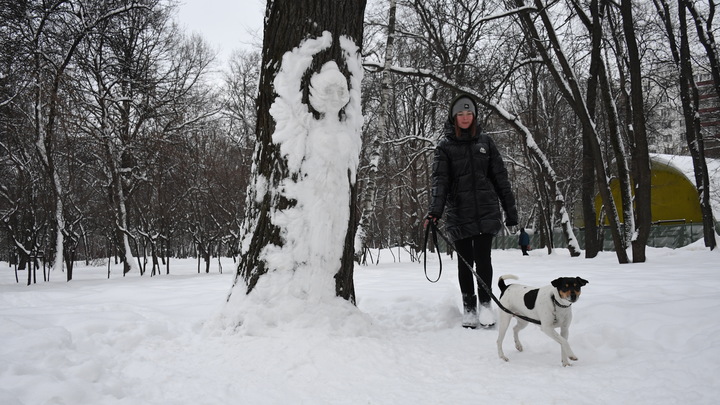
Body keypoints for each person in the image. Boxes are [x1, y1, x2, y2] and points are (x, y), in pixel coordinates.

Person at [425, 93, 518, 329]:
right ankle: (469, 308)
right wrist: (435, 212)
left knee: (484, 260)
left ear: (474, 116)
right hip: (459, 212)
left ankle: (486, 305)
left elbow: (500, 178)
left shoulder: (486, 142)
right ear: (453, 117)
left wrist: (510, 209)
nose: (465, 117)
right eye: (460, 114)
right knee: (465, 262)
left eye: (469, 113)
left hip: (486, 209)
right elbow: (440, 182)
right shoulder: (445, 146)